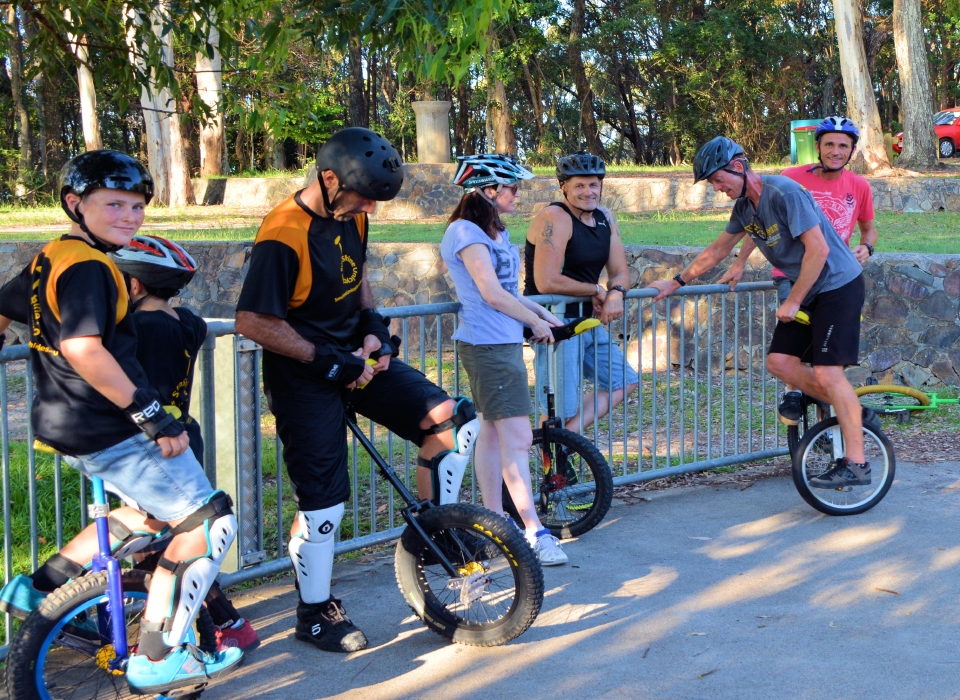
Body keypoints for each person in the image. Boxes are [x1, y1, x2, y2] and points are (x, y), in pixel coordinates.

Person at [0, 151, 242, 694]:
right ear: (74, 204)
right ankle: (159, 657)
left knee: (147, 514)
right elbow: (83, 347)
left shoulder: (52, 257)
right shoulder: (91, 266)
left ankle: (39, 589)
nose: (129, 216)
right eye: (114, 204)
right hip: (110, 425)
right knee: (208, 523)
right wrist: (153, 416)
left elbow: (5, 305)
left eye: (136, 206)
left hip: (65, 422)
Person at [234, 128, 480, 653]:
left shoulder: (355, 215)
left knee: (452, 418)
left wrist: (372, 322)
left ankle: (433, 536)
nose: (370, 206)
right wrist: (328, 361)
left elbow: (357, 274)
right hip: (304, 374)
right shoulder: (283, 232)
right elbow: (253, 321)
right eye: (363, 195)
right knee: (325, 504)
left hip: (358, 358)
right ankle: (315, 613)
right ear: (328, 179)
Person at [648, 137, 879, 490]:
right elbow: (718, 249)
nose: (717, 187)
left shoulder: (784, 192)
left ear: (738, 166)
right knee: (780, 363)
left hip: (837, 286)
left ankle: (858, 464)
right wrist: (676, 282)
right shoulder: (744, 208)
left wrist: (794, 300)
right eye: (712, 183)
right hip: (808, 289)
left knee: (828, 373)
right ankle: (854, 414)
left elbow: (817, 250)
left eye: (718, 179)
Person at [112, 235, 260, 652]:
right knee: (179, 538)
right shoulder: (189, 321)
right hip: (182, 433)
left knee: (155, 545)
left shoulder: (137, 328)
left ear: (135, 286)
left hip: (147, 444)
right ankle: (222, 624)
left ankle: (214, 626)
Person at [440, 154, 568, 566]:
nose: (517, 194)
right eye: (511, 187)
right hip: (487, 347)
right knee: (518, 438)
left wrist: (543, 314)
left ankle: (495, 523)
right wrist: (534, 321)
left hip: (502, 344)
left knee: (495, 436)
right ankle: (533, 531)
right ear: (488, 191)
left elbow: (507, 290)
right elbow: (490, 294)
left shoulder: (493, 230)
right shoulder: (465, 232)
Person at [720, 117, 878, 425]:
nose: (836, 151)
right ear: (817, 147)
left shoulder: (859, 186)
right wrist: (739, 263)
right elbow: (760, 225)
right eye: (829, 144)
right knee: (795, 341)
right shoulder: (791, 178)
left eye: (843, 146)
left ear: (852, 151)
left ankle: (826, 425)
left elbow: (869, 229)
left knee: (828, 362)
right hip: (793, 275)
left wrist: (867, 248)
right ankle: (794, 391)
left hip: (834, 277)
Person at [524, 150, 639, 433]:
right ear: (563, 187)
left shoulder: (606, 218)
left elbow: (621, 272)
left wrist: (615, 294)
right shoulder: (554, 217)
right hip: (556, 323)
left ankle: (564, 444)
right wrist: (594, 289)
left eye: (593, 184)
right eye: (579, 185)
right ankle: (554, 468)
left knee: (623, 380)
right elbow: (546, 281)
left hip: (588, 321)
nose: (588, 192)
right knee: (559, 407)